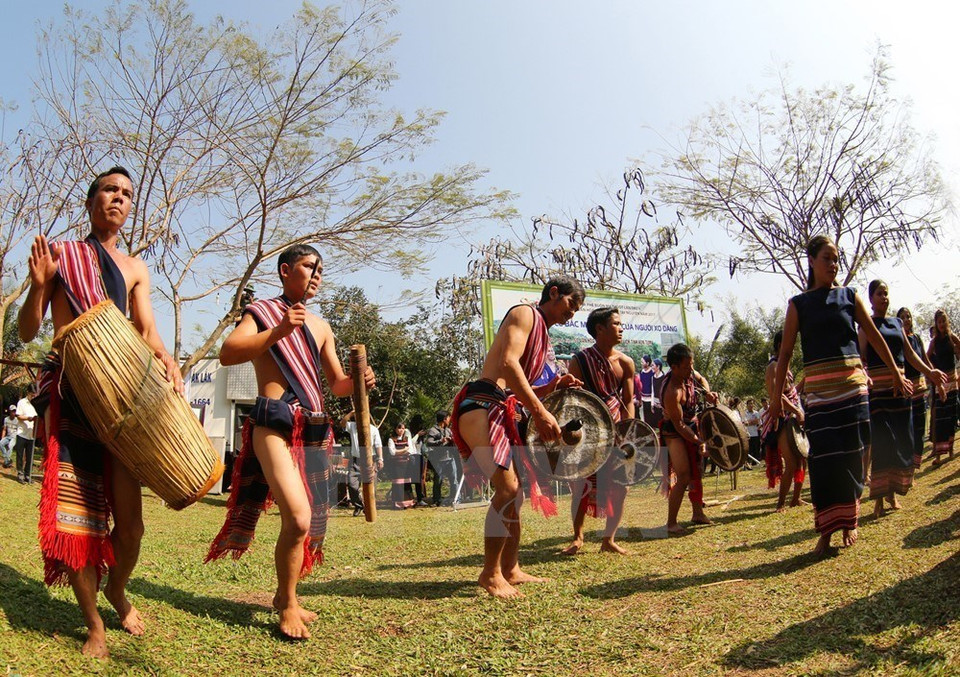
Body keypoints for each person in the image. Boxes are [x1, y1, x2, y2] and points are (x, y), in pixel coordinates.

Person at [17, 166, 183, 658]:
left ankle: (117, 589)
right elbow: (28, 331)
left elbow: (147, 330)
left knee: (130, 526)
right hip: (73, 398)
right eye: (110, 190)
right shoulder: (62, 256)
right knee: (79, 523)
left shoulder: (135, 268)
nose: (119, 199)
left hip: (122, 400)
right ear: (91, 201)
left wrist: (167, 359)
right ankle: (94, 624)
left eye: (127, 194)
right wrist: (37, 285)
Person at [206, 243, 375, 640]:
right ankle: (288, 604)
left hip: (313, 429)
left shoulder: (320, 326)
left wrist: (361, 384)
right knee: (297, 518)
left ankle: (287, 597)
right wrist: (280, 329)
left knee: (309, 522)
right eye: (307, 267)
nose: (316, 275)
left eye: (320, 270)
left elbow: (336, 384)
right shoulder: (262, 312)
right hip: (273, 423)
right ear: (285, 271)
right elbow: (228, 352)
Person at [767, 235, 911, 557]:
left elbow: (874, 338)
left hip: (853, 392)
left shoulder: (850, 296)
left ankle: (850, 520)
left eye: (836, 259)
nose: (833, 264)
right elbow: (786, 352)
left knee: (852, 458)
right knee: (823, 463)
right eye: (827, 258)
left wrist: (897, 372)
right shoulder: (798, 305)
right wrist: (776, 399)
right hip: (819, 398)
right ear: (812, 261)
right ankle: (826, 530)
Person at [450, 276, 583, 598]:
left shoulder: (542, 333)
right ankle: (490, 574)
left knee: (516, 494)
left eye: (577, 310)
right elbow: (507, 365)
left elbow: (513, 385)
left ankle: (510, 569)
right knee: (507, 489)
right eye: (570, 304)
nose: (572, 314)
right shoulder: (525, 314)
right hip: (481, 404)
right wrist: (540, 412)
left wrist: (551, 389)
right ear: (554, 293)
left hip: (499, 404)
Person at [859, 282, 945, 517]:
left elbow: (909, 354)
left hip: (901, 392)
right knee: (883, 444)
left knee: (901, 444)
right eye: (879, 294)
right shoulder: (866, 325)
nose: (884, 298)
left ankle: (892, 493)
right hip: (879, 394)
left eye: (886, 294)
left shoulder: (896, 324)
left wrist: (931, 373)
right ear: (871, 298)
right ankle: (878, 500)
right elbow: (861, 358)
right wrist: (866, 378)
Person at [561, 307, 635, 555]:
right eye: (616, 324)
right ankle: (577, 538)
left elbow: (629, 401)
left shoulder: (626, 363)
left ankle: (609, 539)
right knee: (582, 484)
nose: (621, 328)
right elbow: (572, 401)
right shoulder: (579, 360)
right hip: (589, 432)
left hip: (617, 430)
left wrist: (628, 429)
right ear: (600, 329)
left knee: (621, 485)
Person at [659, 342, 718, 534]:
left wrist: (708, 393)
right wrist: (700, 442)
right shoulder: (671, 391)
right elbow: (679, 426)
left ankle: (697, 513)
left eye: (691, 365)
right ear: (674, 367)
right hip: (674, 432)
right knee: (684, 475)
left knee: (696, 472)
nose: (690, 369)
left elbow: (703, 380)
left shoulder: (690, 373)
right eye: (686, 367)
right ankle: (671, 523)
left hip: (691, 426)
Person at [762, 331, 807, 512]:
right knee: (791, 462)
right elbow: (777, 395)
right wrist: (796, 410)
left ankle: (796, 498)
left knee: (801, 459)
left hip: (792, 417)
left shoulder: (784, 366)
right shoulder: (773, 367)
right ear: (780, 345)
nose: (793, 348)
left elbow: (790, 391)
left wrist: (804, 381)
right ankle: (780, 503)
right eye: (790, 344)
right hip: (781, 420)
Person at [896, 307, 933, 469]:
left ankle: (914, 466)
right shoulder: (898, 341)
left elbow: (924, 360)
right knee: (907, 431)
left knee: (920, 430)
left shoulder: (917, 338)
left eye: (908, 316)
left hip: (921, 388)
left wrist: (934, 376)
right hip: (907, 391)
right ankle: (907, 466)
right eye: (903, 317)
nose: (906, 320)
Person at [927, 309, 960, 466]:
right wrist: (933, 373)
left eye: (943, 321)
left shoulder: (952, 337)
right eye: (938, 322)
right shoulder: (934, 342)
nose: (941, 324)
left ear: (947, 322)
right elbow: (926, 358)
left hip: (953, 382)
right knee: (940, 419)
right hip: (941, 383)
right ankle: (939, 456)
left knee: (952, 417)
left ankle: (951, 450)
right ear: (936, 323)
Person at [340, 411, 383, 516]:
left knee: (371, 486)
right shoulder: (353, 426)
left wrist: (380, 459)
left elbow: (378, 445)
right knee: (351, 484)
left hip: (370, 460)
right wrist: (352, 412)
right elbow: (342, 423)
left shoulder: (373, 429)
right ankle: (359, 505)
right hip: (355, 461)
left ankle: (370, 508)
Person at [424, 410, 457, 506]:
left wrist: (452, 440)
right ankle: (436, 500)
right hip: (439, 459)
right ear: (444, 419)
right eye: (448, 418)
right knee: (438, 481)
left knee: (454, 480)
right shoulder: (433, 430)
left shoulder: (448, 430)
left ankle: (455, 499)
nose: (449, 420)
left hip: (450, 458)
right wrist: (440, 441)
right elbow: (428, 443)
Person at [387, 421, 418, 509]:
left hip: (406, 464)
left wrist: (400, 451)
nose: (401, 430)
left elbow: (410, 450)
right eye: (399, 428)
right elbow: (392, 452)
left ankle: (408, 502)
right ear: (395, 429)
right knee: (398, 483)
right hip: (396, 465)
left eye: (403, 428)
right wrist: (404, 450)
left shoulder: (407, 438)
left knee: (406, 483)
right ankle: (398, 503)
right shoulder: (391, 439)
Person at [13, 392, 38, 483]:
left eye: (35, 395)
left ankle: (27, 475)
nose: (33, 397)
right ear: (28, 393)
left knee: (29, 456)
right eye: (32, 395)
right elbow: (18, 416)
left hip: (32, 434)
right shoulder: (22, 402)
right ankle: (20, 474)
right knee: (20, 454)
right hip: (21, 433)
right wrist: (28, 418)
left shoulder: (37, 403)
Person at [649, 358, 667, 429]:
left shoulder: (664, 377)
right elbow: (652, 391)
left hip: (662, 404)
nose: (652, 367)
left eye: (653, 365)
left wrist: (662, 404)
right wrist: (652, 404)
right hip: (656, 403)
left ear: (658, 366)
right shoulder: (652, 377)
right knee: (657, 424)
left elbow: (665, 392)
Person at [743, 398, 761, 466]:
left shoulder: (756, 413)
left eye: (752, 403)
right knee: (749, 450)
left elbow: (758, 421)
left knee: (756, 449)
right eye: (750, 403)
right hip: (748, 434)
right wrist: (752, 421)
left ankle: (755, 462)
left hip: (755, 433)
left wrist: (750, 422)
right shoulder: (745, 413)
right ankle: (749, 463)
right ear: (747, 405)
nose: (751, 405)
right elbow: (745, 423)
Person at [1, 404, 18, 468]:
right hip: (8, 436)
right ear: (10, 411)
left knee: (10, 446)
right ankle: (7, 459)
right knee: (0, 443)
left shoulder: (17, 420)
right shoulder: (6, 419)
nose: (14, 412)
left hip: (14, 437)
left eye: (15, 411)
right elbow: (4, 429)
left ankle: (6, 461)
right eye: (12, 411)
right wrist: (2, 438)